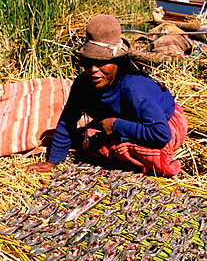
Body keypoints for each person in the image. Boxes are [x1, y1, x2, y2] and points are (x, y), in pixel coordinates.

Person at [27, 14, 188, 175]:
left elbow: (161, 133)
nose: (93, 70)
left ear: (118, 63)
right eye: (88, 62)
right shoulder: (83, 84)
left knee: (140, 152)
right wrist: (53, 161)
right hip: (129, 120)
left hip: (166, 122)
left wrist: (116, 125)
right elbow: (67, 120)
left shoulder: (133, 89)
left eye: (102, 62)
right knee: (84, 140)